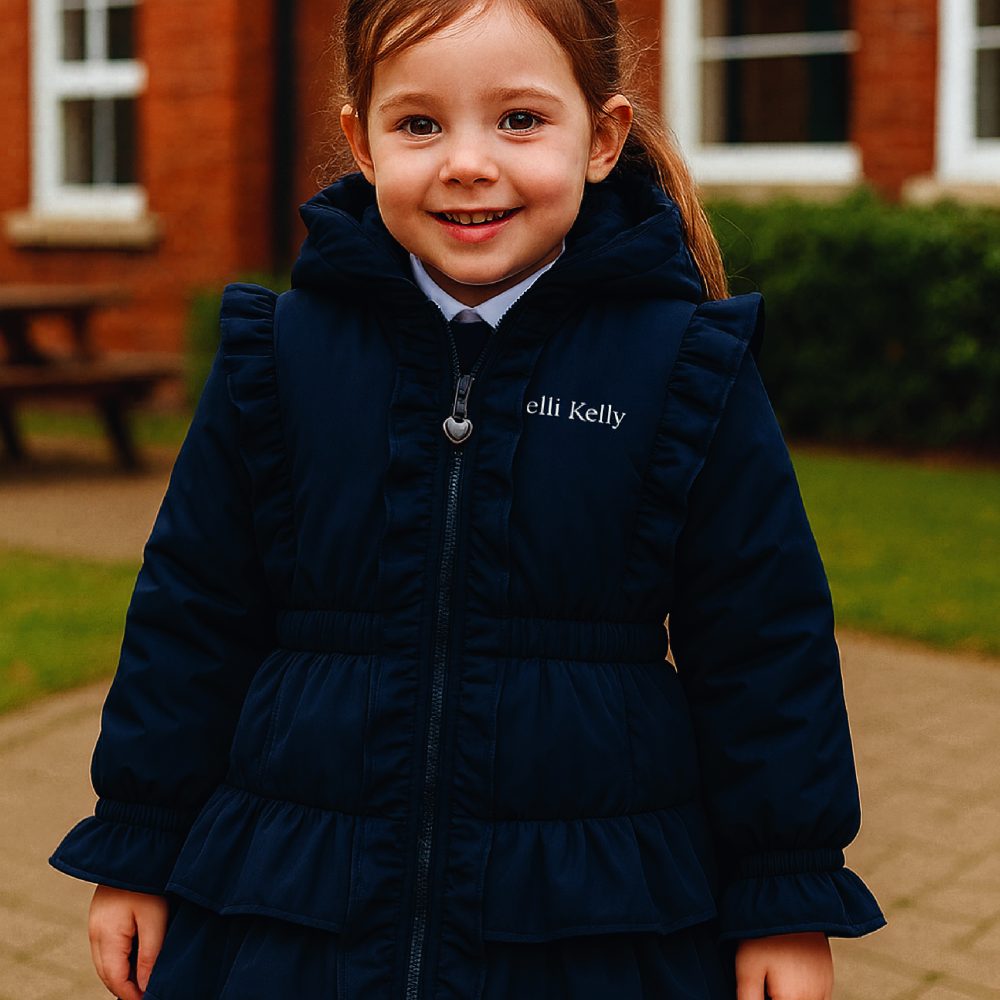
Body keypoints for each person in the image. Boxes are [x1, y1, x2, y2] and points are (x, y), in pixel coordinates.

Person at [50, 0, 887, 997]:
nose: (467, 162)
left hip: (590, 917)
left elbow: (762, 641)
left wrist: (784, 895)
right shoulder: (279, 359)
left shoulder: (682, 368)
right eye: (420, 124)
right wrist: (138, 844)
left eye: (520, 120)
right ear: (361, 140)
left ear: (602, 138)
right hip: (292, 901)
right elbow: (191, 611)